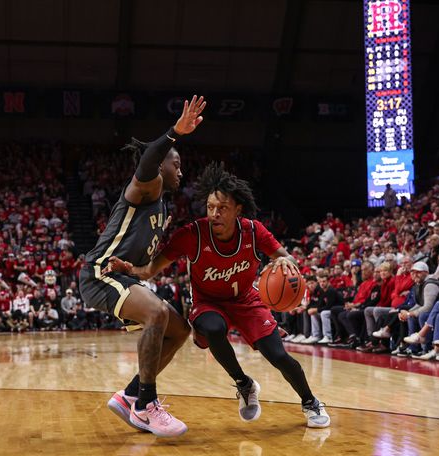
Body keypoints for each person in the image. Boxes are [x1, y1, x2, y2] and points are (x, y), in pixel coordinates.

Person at [105, 163, 330, 428]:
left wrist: (286, 263)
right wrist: (128, 268)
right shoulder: (192, 235)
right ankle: (244, 384)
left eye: (222, 208)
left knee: (278, 355)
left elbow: (285, 256)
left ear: (238, 210)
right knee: (213, 327)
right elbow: (150, 270)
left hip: (247, 300)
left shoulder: (253, 231)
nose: (214, 214)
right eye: (210, 208)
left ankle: (310, 402)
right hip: (208, 304)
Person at [79, 95, 207, 437]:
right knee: (156, 313)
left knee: (179, 330)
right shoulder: (146, 189)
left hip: (122, 276)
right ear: (162, 166)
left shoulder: (161, 207)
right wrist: (173, 134)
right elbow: (149, 159)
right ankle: (146, 406)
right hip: (100, 274)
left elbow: (145, 267)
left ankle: (131, 394)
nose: (180, 171)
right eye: (176, 164)